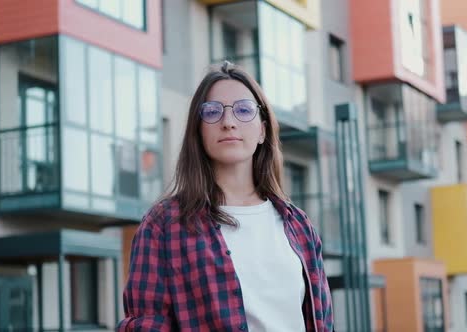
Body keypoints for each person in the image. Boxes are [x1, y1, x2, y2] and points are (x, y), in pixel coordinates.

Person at [117, 61, 333, 332]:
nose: (228, 122)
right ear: (199, 129)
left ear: (263, 130)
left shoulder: (299, 225)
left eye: (243, 110)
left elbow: (322, 322)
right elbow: (146, 326)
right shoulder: (164, 224)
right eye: (212, 112)